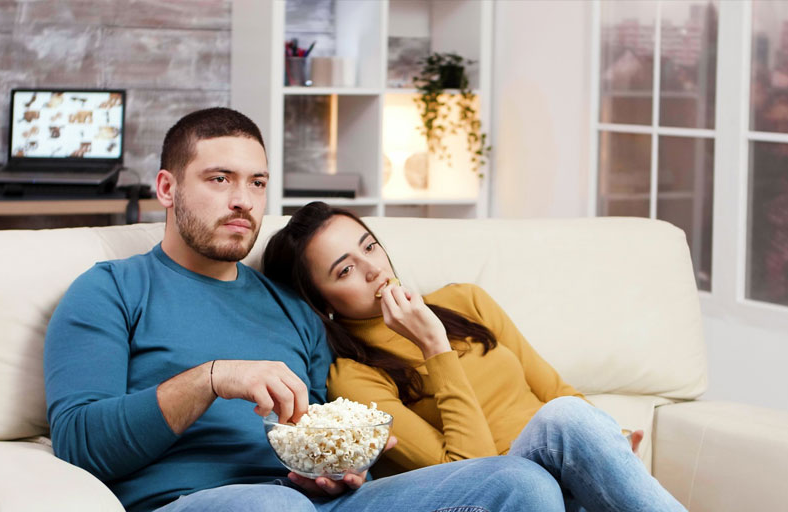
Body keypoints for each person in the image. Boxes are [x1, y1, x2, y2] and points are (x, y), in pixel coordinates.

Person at [43, 108, 567, 512]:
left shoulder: (293, 309)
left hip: (317, 503)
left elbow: (309, 438)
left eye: (257, 182)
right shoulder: (110, 290)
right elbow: (80, 444)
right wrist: (210, 379)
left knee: (521, 483)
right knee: (276, 504)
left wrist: (335, 468)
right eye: (219, 179)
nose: (243, 200)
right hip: (200, 501)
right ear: (167, 188)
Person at [261, 201, 688, 512]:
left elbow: (555, 390)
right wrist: (434, 347)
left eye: (369, 247)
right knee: (564, 421)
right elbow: (472, 473)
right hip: (510, 491)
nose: (373, 268)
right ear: (323, 303)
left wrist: (609, 444)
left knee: (570, 416)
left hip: (568, 471)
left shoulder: (466, 300)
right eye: (345, 270)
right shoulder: (353, 379)